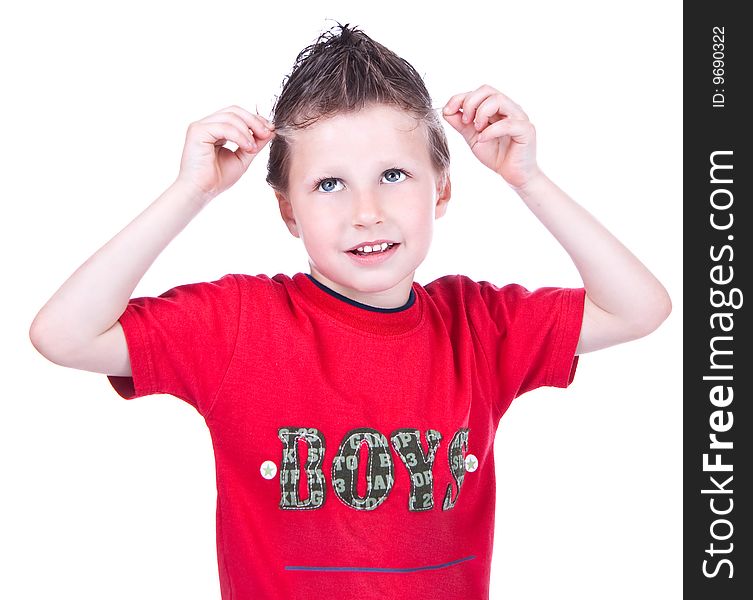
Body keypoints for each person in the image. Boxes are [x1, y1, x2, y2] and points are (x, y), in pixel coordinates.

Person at [28, 23, 671, 600]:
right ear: (288, 210)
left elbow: (639, 309)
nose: (367, 211)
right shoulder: (239, 324)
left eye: (394, 174)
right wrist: (190, 191)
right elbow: (64, 334)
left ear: (440, 188)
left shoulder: (479, 326)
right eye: (329, 184)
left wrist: (528, 179)